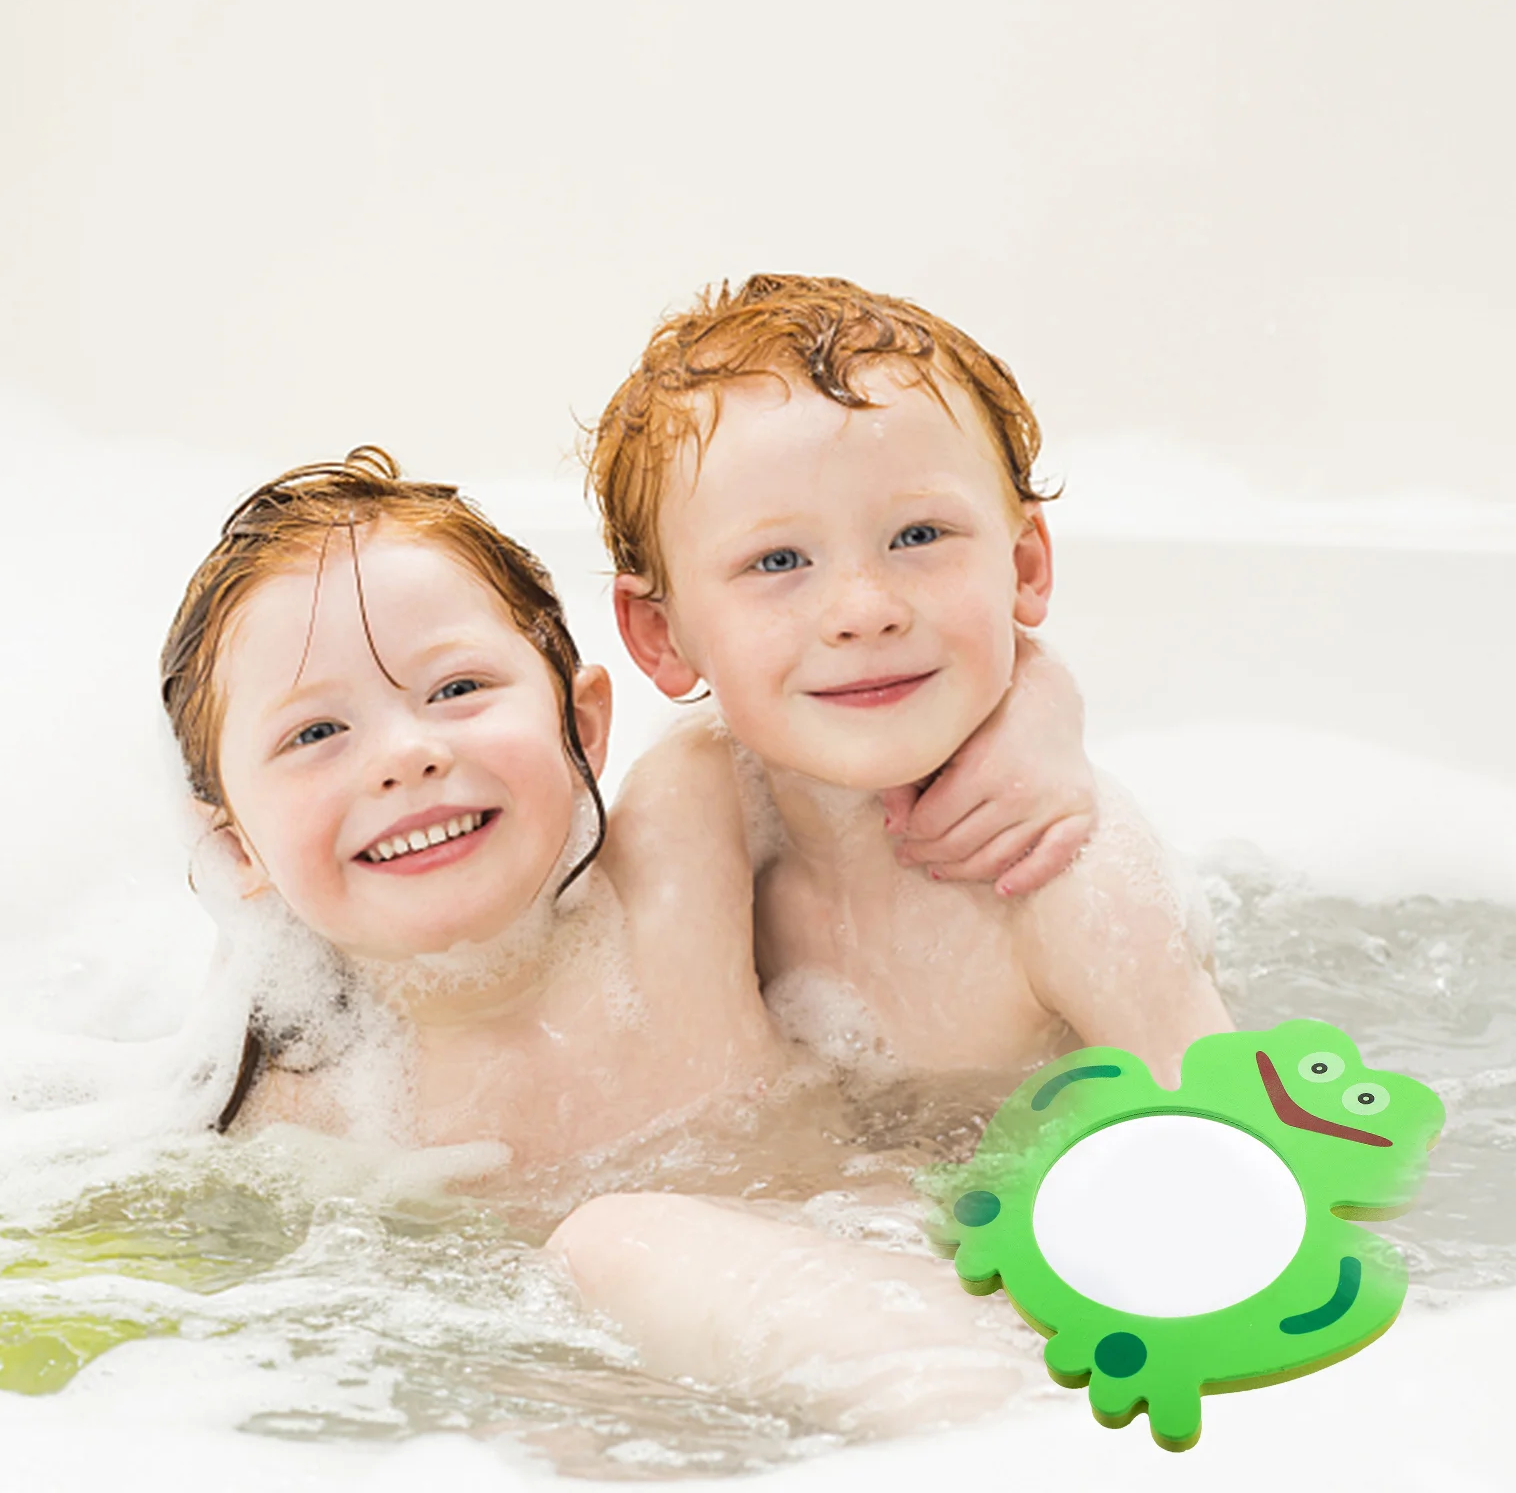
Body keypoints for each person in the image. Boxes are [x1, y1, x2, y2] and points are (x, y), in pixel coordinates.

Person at [160, 448, 1032, 1434]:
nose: (408, 755)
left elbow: (905, 697)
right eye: (315, 734)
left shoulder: (683, 844)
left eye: (455, 689)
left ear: (584, 718)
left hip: (936, 1284)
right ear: (236, 846)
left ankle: (990, 1424)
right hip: (634, 1416)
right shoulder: (293, 1116)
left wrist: (1044, 723)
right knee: (608, 1247)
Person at [586, 274, 1233, 1089]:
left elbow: (1239, 1153)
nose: (864, 612)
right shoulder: (693, 808)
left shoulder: (1075, 893)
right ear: (658, 635)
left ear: (1024, 564)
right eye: (778, 561)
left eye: (919, 534)